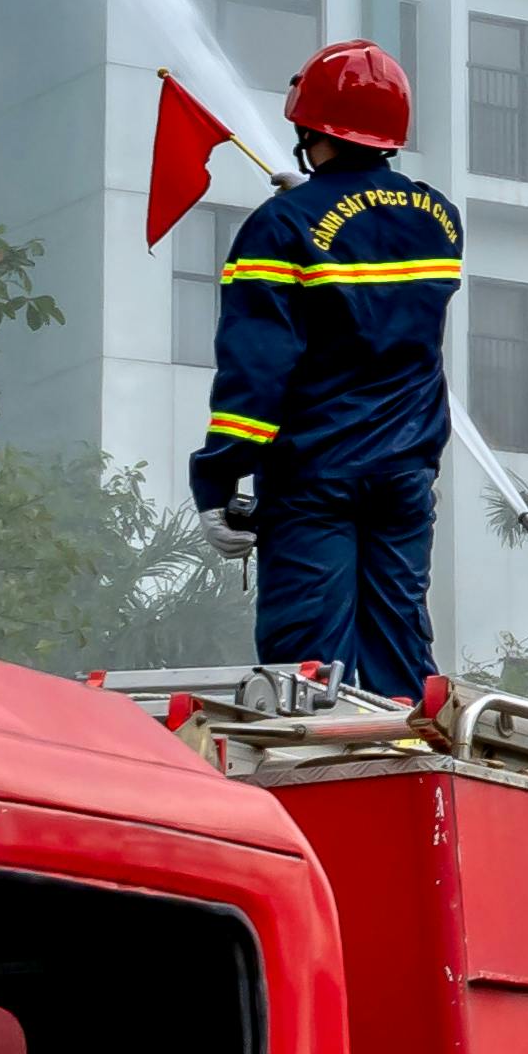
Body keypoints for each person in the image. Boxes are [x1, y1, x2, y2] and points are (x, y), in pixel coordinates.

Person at [190, 43, 459, 694]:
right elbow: (385, 313)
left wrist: (218, 479)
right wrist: (322, 208)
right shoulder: (440, 220)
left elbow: (257, 366)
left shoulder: (279, 228)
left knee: (307, 672)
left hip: (316, 475)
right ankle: (407, 773)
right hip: (404, 474)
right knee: (399, 649)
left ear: (309, 129)